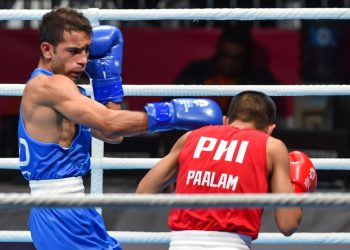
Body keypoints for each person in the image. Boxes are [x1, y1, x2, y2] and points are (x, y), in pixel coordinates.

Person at [17, 7, 223, 250]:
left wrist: (107, 81)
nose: (83, 59)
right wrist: (170, 114)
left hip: (68, 208)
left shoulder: (63, 89)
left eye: (86, 50)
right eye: (73, 51)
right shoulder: (52, 86)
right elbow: (109, 123)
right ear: (47, 50)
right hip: (60, 212)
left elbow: (111, 135)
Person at [136, 90, 317, 250]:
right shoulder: (272, 147)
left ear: (225, 120)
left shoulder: (191, 137)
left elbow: (143, 193)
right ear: (270, 129)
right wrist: (298, 191)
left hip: (180, 244)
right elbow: (287, 224)